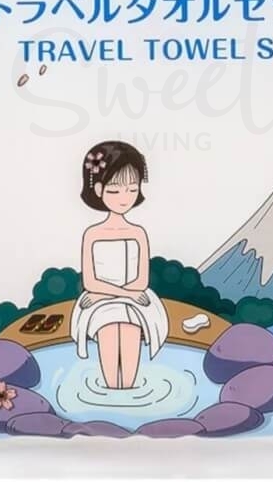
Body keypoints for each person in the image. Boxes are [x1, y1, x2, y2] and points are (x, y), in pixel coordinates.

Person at [69, 140, 169, 389]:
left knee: (130, 327)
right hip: (102, 300)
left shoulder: (137, 233)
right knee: (109, 327)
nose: (125, 197)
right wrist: (123, 295)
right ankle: (112, 392)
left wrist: (127, 296)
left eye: (131, 189)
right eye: (115, 191)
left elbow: (141, 281)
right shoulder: (92, 234)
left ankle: (129, 394)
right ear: (99, 189)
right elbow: (90, 282)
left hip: (133, 298)